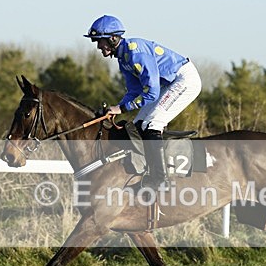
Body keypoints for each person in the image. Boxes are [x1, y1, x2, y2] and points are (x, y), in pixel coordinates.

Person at [84, 15, 202, 190]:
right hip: (168, 84)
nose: (98, 46)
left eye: (100, 41)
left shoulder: (135, 53)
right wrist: (116, 108)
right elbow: (134, 92)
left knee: (152, 124)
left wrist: (122, 108)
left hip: (184, 80)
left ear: (113, 38)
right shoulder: (123, 59)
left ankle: (160, 180)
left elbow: (152, 93)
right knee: (138, 125)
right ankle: (146, 173)